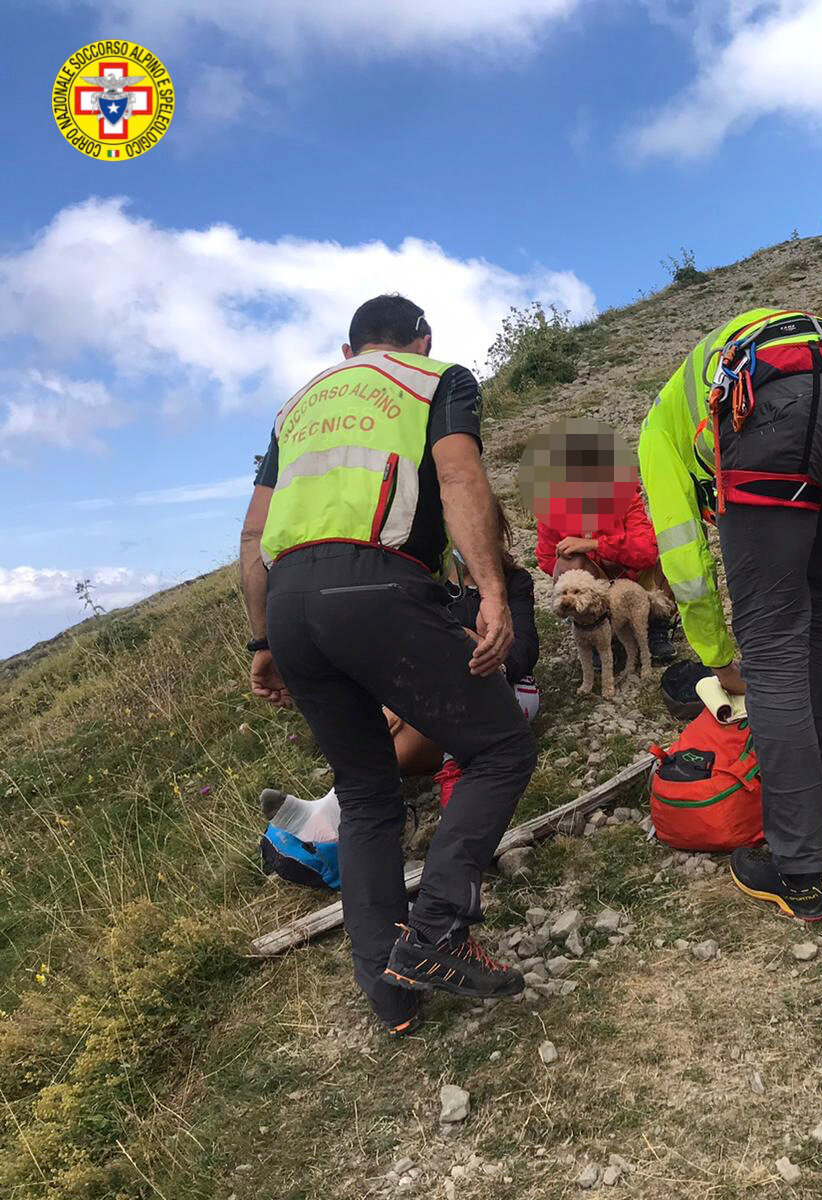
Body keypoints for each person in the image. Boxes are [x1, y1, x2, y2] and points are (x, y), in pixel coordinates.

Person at [239, 294, 536, 1034]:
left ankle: (391, 992)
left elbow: (253, 534)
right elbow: (460, 478)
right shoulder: (436, 379)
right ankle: (436, 931)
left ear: (348, 353)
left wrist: (263, 640)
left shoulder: (297, 407)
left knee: (366, 791)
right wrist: (492, 589)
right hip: (377, 582)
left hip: (289, 600)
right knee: (499, 746)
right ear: (420, 338)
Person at [638, 308, 822, 921]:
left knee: (773, 643)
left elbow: (683, 555)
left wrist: (717, 655)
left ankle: (800, 871)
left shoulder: (660, 429)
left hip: (769, 407)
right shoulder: (719, 364)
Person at [530, 424, 677, 663]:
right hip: (599, 588)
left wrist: (598, 546)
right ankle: (598, 630)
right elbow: (547, 560)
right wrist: (589, 571)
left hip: (636, 581)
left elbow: (647, 552)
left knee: (668, 547)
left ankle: (657, 626)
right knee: (570, 563)